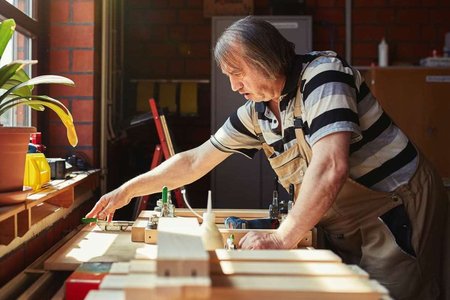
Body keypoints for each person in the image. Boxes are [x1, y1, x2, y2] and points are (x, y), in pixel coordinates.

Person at [86, 16, 448, 300]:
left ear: (266, 59)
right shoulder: (258, 112)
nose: (233, 85)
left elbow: (330, 165)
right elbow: (195, 161)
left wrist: (280, 238)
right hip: (344, 221)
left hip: (397, 207)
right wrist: (128, 190)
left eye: (237, 72)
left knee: (393, 294)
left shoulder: (323, 76)